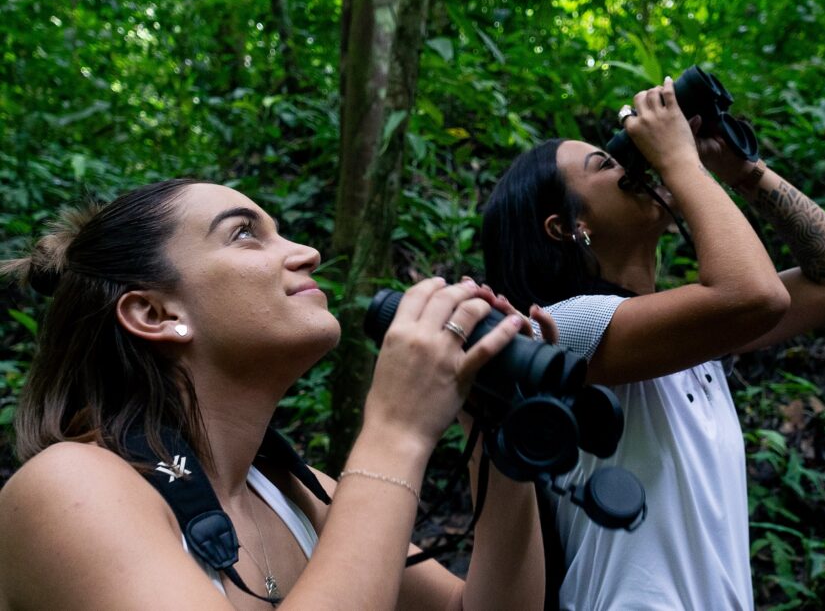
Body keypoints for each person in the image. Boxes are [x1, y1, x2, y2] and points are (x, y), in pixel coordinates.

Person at [0, 179, 548, 610]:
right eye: (243, 233)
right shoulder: (68, 487)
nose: (306, 252)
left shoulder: (293, 494)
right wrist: (397, 432)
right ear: (155, 314)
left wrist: (494, 429)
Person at [481, 77, 825, 610]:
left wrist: (744, 170)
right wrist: (679, 162)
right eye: (607, 165)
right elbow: (757, 295)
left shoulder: (689, 344)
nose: (632, 167)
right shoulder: (566, 330)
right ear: (569, 227)